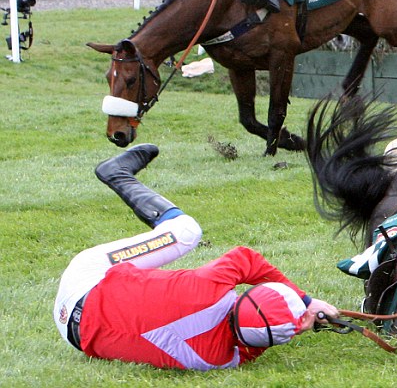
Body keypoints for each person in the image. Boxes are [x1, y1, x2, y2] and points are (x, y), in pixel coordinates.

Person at [53, 145, 340, 370]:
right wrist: (295, 322)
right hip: (73, 335)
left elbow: (246, 259)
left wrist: (306, 301)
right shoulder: (221, 360)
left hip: (84, 281)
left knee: (186, 232)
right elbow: (259, 338)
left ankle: (115, 173)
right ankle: (116, 174)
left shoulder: (209, 288)